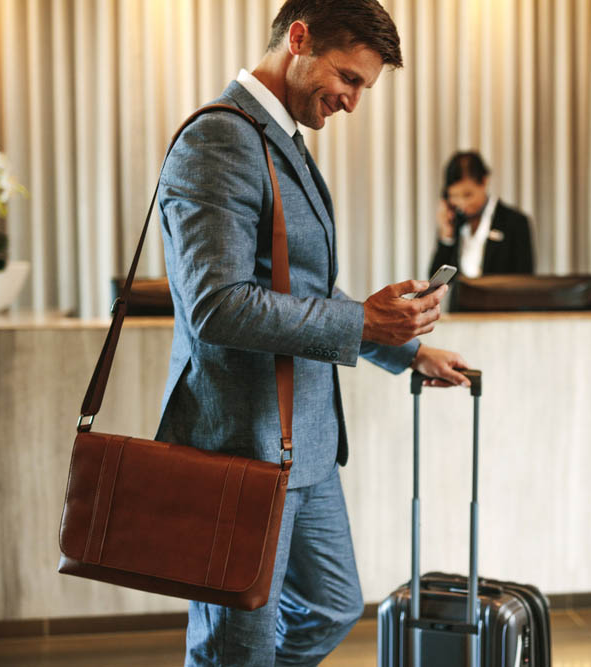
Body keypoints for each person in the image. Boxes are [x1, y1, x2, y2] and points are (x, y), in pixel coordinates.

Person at [155, 1, 468, 664]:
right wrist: (360, 320)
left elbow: (303, 293)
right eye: (348, 78)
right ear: (298, 38)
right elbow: (217, 305)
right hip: (241, 445)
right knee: (236, 644)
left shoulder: (282, 142)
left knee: (329, 607)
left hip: (306, 445)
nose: (353, 101)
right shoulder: (218, 139)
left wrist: (407, 349)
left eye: (363, 87)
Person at [429, 151, 535, 280]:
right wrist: (446, 236)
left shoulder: (515, 222)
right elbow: (437, 281)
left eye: (468, 195)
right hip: (461, 300)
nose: (462, 203)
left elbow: (524, 282)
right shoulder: (454, 223)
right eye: (455, 196)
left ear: (484, 182)